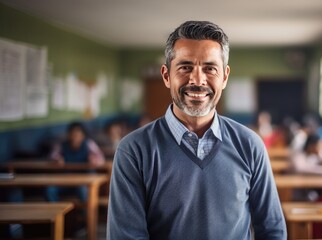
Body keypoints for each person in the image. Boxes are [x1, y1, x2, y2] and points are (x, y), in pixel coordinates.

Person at [107, 21, 286, 240]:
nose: (197, 80)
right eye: (185, 67)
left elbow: (272, 230)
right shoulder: (134, 150)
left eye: (210, 68)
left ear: (225, 77)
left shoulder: (250, 144)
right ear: (166, 75)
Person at [46, 121, 105, 202]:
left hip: (83, 181)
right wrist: (57, 159)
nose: (75, 137)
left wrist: (93, 160)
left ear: (83, 136)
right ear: (69, 135)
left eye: (77, 135)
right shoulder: (62, 145)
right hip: (66, 181)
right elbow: (52, 156)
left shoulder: (89, 144)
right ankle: (56, 213)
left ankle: (84, 214)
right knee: (51, 190)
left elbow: (101, 158)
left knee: (83, 191)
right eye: (72, 134)